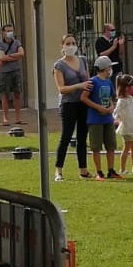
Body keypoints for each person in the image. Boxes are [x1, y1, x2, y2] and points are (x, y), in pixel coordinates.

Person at [52, 35, 90, 182]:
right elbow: (61, 89)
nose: (71, 46)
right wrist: (78, 86)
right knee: (66, 136)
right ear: (62, 46)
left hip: (82, 102)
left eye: (73, 43)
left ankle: (83, 169)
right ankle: (58, 170)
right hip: (68, 104)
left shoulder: (83, 60)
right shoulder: (59, 65)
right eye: (68, 43)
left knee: (82, 137)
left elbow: (88, 80)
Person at [81, 54, 121, 180]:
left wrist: (111, 106)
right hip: (95, 119)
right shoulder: (93, 81)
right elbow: (83, 97)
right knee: (96, 147)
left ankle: (111, 170)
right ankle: (99, 172)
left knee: (111, 145)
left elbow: (109, 97)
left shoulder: (108, 82)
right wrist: (97, 107)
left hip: (107, 118)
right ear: (105, 68)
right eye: (109, 67)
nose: (110, 70)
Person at [115, 72, 133, 175]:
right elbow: (116, 113)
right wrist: (117, 120)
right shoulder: (122, 101)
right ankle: (122, 168)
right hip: (127, 128)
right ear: (125, 87)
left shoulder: (131, 98)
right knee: (126, 148)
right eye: (131, 85)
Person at [0, 22, 25, 129]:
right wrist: (14, 56)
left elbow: (21, 53)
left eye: (11, 31)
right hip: (4, 72)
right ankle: (5, 118)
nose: (10, 33)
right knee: (5, 95)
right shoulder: (0, 44)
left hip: (16, 71)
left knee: (17, 94)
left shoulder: (16, 42)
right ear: (3, 33)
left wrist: (9, 56)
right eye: (8, 31)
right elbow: (2, 57)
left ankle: (18, 118)